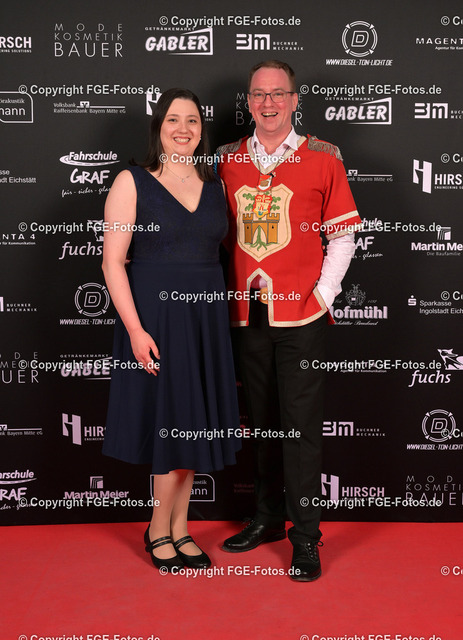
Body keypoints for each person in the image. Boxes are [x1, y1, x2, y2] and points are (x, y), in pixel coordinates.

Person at [216, 60, 361, 581]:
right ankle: (267, 518)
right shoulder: (226, 160)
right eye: (259, 94)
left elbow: (342, 235)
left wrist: (322, 294)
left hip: (302, 316)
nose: (269, 103)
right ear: (249, 101)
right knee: (262, 422)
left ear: (295, 100)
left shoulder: (323, 157)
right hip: (247, 313)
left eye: (278, 94)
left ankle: (305, 537)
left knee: (299, 429)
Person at [102, 88, 241, 573]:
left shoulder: (216, 183)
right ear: (158, 128)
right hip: (157, 320)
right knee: (171, 424)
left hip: (205, 321)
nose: (184, 129)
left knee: (192, 424)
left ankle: (180, 528)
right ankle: (158, 528)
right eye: (173, 120)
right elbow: (113, 263)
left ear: (202, 129)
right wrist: (135, 330)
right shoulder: (132, 181)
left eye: (193, 121)